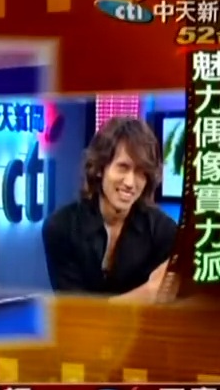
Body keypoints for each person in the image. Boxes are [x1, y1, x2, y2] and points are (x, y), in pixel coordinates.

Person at [42, 117, 177, 302]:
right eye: (123, 167)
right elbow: (78, 313)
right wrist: (149, 292)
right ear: (100, 168)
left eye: (141, 172)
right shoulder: (61, 228)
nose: (130, 182)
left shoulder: (164, 232)